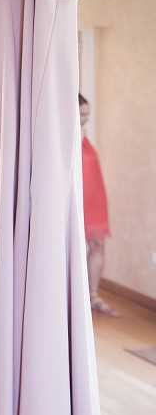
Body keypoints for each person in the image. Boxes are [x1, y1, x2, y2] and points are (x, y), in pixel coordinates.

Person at [79, 93, 116, 315]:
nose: (86, 118)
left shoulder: (84, 137)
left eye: (88, 114)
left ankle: (93, 295)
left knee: (97, 245)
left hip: (95, 198)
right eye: (82, 113)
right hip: (79, 199)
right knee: (76, 248)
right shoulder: (64, 134)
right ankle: (78, 296)